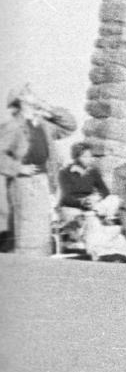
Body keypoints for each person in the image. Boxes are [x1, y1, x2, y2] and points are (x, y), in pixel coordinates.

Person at [0, 86, 77, 256]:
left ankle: (40, 267)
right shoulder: (13, 126)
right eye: (27, 93)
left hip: (44, 179)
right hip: (23, 182)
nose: (33, 94)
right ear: (20, 100)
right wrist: (18, 168)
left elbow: (70, 126)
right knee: (27, 226)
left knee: (42, 227)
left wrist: (49, 109)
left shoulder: (45, 126)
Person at [57, 142, 116, 259]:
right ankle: (79, 242)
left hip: (89, 206)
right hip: (70, 206)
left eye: (90, 156)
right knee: (86, 224)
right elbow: (65, 197)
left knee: (113, 200)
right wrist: (81, 202)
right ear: (76, 157)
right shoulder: (65, 173)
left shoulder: (93, 172)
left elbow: (105, 192)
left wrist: (96, 198)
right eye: (84, 156)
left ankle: (94, 251)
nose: (88, 159)